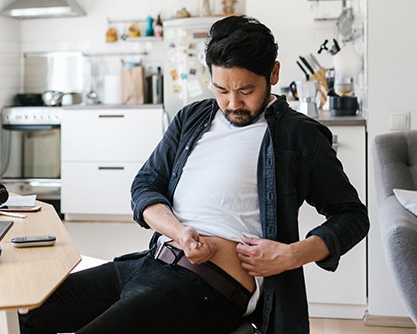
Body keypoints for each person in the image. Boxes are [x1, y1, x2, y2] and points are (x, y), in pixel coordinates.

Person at [19, 15, 369, 334]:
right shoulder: (192, 119)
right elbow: (145, 186)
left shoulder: (298, 135)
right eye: (221, 90)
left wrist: (292, 254)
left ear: (273, 74)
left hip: (204, 287)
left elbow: (352, 216)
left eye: (246, 90)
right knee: (27, 314)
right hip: (148, 262)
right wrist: (179, 232)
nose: (232, 103)